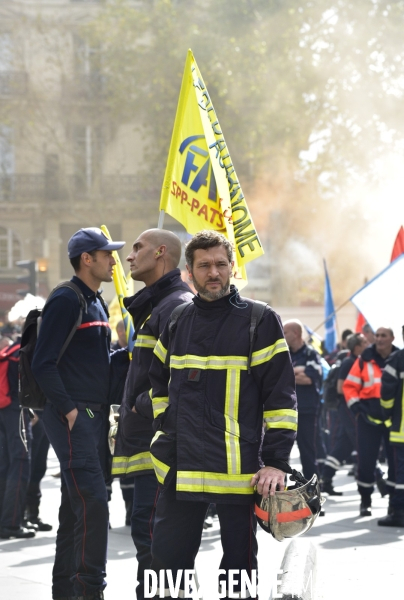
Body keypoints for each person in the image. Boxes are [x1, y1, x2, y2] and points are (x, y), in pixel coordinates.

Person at [142, 230, 297, 599]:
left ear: (232, 268)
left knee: (238, 573)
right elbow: (157, 384)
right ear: (189, 272)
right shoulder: (177, 320)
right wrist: (163, 437)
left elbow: (281, 396)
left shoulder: (260, 320)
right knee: (166, 567)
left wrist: (275, 462)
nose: (214, 272)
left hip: (239, 474)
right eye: (204, 265)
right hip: (181, 468)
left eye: (221, 264)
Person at [32, 227, 125, 600]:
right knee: (94, 504)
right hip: (75, 415)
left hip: (94, 414)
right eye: (107, 254)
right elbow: (43, 363)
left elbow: (94, 362)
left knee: (76, 508)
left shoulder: (97, 301)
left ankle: (66, 592)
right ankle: (90, 593)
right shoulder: (67, 299)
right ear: (87, 259)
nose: (113, 259)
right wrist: (70, 410)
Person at [112, 229, 193, 600]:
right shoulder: (157, 307)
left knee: (158, 544)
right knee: (150, 541)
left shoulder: (175, 305)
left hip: (161, 449)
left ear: (161, 252)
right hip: (148, 446)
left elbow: (183, 382)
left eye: (137, 248)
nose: (130, 256)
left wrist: (139, 405)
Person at [343, 327, 398, 516]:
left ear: (393, 338)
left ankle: (393, 502)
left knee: (395, 463)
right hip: (368, 418)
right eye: (378, 335)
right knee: (366, 462)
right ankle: (365, 500)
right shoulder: (364, 359)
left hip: (393, 420)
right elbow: (349, 386)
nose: (380, 339)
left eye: (384, 335)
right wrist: (357, 409)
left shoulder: (400, 358)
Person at [322, 333, 368, 495]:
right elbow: (341, 388)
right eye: (364, 342)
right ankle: (378, 478)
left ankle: (325, 479)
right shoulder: (349, 362)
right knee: (362, 441)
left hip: (351, 407)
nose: (368, 344)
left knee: (342, 446)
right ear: (357, 347)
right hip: (348, 407)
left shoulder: (358, 361)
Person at [0, 336, 34, 539]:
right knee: (21, 463)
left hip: (3, 410)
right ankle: (12, 523)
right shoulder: (22, 352)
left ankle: (5, 520)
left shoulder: (9, 353)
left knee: (4, 465)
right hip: (16, 409)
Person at [283, 319, 323, 480]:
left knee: (308, 451)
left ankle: (311, 488)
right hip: (286, 410)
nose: (282, 336)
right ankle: (280, 489)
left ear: (296, 333)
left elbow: (309, 379)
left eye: (285, 332)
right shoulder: (284, 354)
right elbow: (279, 377)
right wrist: (298, 371)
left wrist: (289, 374)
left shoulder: (311, 353)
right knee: (281, 452)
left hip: (307, 410)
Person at [378, 343, 404, 526]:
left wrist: (388, 416)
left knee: (400, 471)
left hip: (401, 429)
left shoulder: (398, 359)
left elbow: (387, 394)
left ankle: (399, 513)